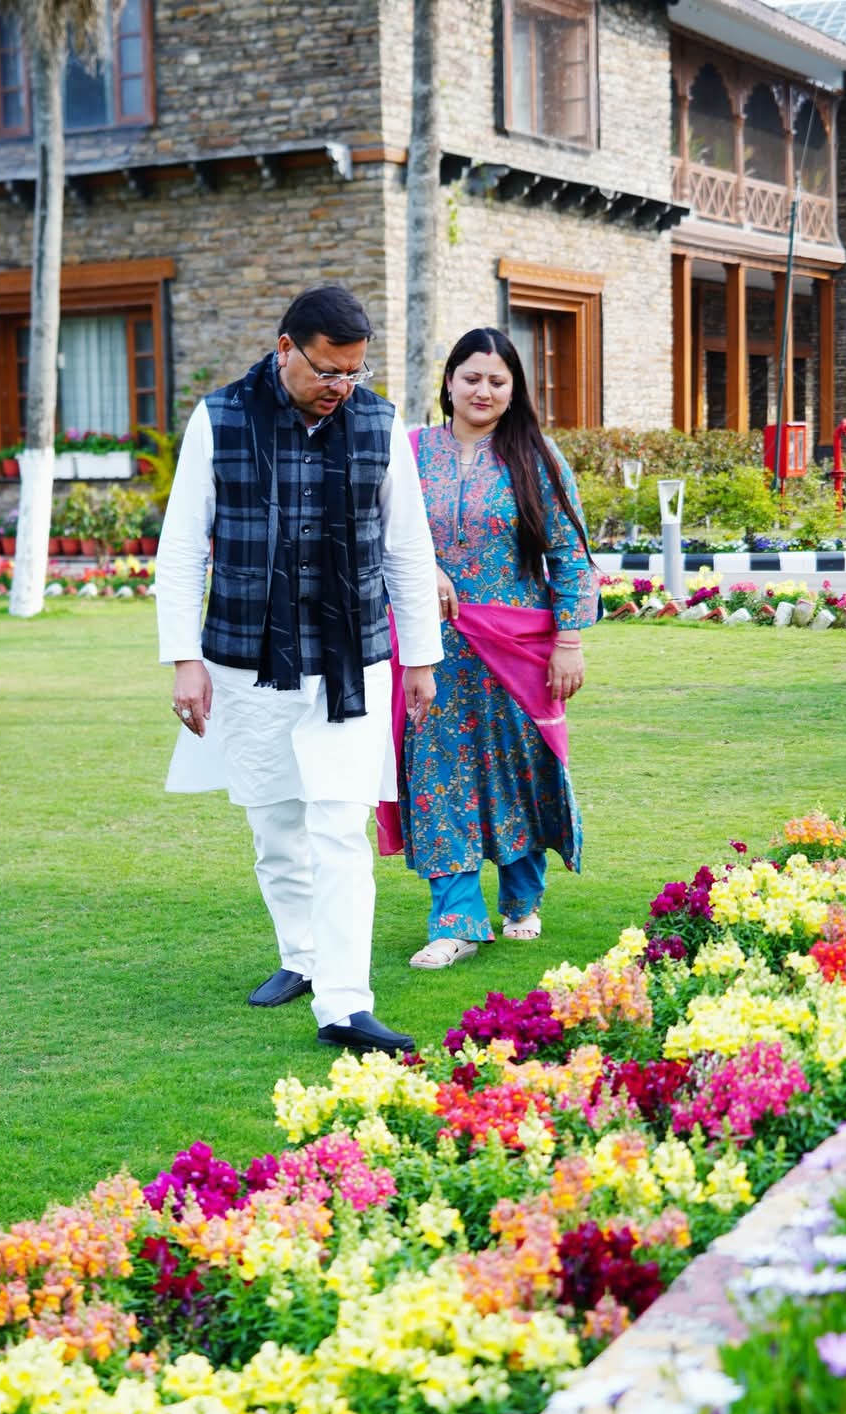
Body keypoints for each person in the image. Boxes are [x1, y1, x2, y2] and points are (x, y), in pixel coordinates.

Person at [156, 285, 443, 1053]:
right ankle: (302, 956)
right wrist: (185, 659)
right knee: (276, 822)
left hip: (353, 660)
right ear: (285, 348)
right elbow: (182, 547)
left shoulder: (379, 423)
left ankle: (344, 1003)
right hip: (248, 657)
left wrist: (421, 659)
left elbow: (408, 547)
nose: (340, 385)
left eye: (353, 372)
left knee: (341, 825)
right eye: (326, 369)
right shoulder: (218, 418)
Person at [380, 326, 597, 968]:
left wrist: (569, 641)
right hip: (431, 651)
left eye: (497, 381)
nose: (483, 390)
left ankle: (522, 900)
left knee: (518, 771)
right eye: (471, 377)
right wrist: (425, 569)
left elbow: (571, 554)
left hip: (519, 648)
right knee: (435, 774)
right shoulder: (411, 452)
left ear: (513, 389)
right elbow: (380, 531)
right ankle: (455, 922)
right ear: (448, 382)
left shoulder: (536, 456)